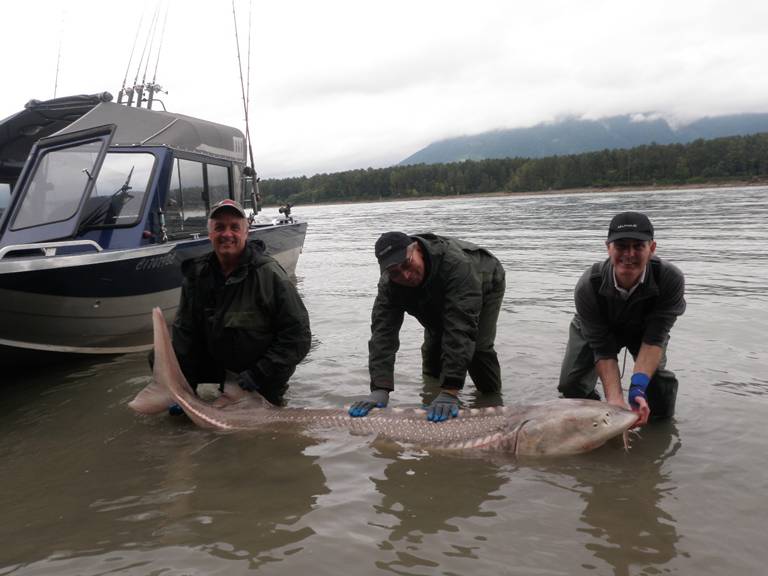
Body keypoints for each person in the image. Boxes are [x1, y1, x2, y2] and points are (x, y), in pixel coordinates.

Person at [349, 231, 506, 422]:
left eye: (407, 264)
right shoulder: (390, 284)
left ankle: (494, 406)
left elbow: (460, 328)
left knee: (478, 349)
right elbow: (383, 334)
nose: (405, 275)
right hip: (432, 287)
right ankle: (431, 400)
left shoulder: (457, 265)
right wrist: (380, 388)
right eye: (395, 272)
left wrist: (450, 390)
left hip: (484, 280)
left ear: (417, 250)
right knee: (434, 343)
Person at [170, 198, 311, 407]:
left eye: (234, 227)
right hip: (221, 368)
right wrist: (183, 390)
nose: (227, 234)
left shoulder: (269, 274)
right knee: (161, 355)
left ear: (246, 232)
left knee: (267, 420)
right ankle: (187, 397)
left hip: (261, 375)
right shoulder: (197, 275)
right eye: (219, 227)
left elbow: (299, 337)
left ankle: (262, 395)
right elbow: (184, 335)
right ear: (210, 234)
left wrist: (260, 372)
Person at [558, 211, 686, 425]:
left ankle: (659, 428)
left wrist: (637, 388)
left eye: (638, 246)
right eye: (621, 246)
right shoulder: (588, 285)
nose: (629, 254)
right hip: (597, 326)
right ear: (608, 248)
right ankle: (594, 418)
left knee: (656, 383)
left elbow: (655, 339)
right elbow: (602, 348)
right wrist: (615, 400)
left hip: (645, 329)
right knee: (571, 384)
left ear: (652, 248)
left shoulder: (670, 279)